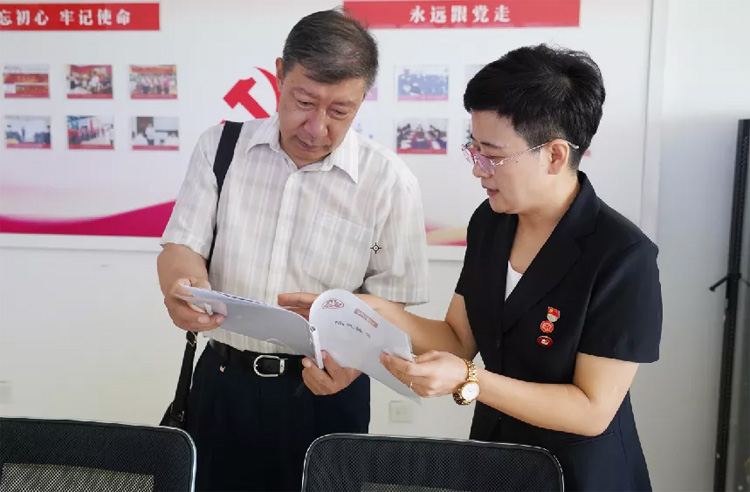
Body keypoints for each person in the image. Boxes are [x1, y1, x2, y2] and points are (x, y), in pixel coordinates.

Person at [281, 44, 663, 491]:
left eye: (493, 155)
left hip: (581, 474)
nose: (479, 169)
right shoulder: (492, 222)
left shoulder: (623, 256)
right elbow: (458, 339)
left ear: (555, 155)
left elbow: (592, 410)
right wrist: (366, 309)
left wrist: (469, 379)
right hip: (497, 461)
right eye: (474, 149)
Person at [157, 8, 429, 492]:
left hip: (325, 392)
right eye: (303, 102)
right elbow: (182, 245)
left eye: (340, 112)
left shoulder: (388, 182)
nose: (316, 127)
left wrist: (354, 364)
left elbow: (393, 303)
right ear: (280, 75)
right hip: (223, 383)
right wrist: (180, 287)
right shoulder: (221, 149)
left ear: (362, 99)